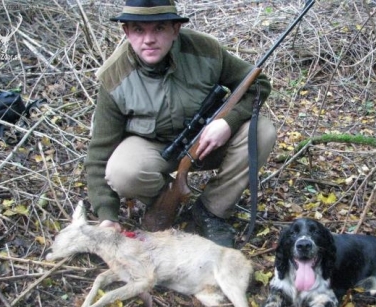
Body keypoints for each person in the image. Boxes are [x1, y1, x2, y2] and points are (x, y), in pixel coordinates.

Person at [86, 0, 277, 248]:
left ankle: (211, 210)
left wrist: (228, 123)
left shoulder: (205, 49)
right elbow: (99, 152)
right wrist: (107, 216)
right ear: (126, 32)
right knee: (122, 171)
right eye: (138, 30)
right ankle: (166, 197)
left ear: (175, 29)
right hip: (153, 150)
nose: (148, 39)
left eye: (159, 29)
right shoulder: (114, 76)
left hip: (209, 142)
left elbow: (258, 84)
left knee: (261, 131)